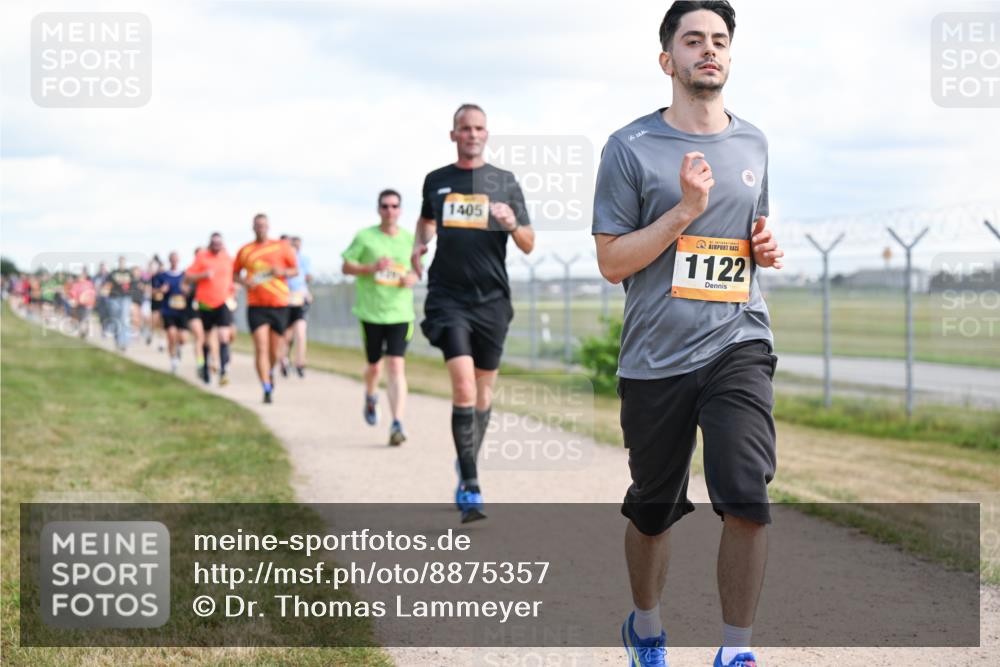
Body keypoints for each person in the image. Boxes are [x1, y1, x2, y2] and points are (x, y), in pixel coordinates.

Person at [592, 4, 785, 666]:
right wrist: (684, 211)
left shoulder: (754, 143)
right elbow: (612, 260)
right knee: (653, 510)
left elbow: (748, 234)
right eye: (694, 39)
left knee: (748, 494)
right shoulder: (630, 147)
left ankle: (736, 652)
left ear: (730, 56)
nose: (709, 50)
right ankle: (645, 623)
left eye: (720, 41)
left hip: (739, 341)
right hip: (656, 359)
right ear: (666, 58)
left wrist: (762, 244)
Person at [411, 104, 535, 522]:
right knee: (464, 388)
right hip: (448, 298)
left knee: (484, 393)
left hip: (492, 301)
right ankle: (471, 484)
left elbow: (529, 243)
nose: (472, 134)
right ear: (454, 135)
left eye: (479, 128)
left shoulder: (504, 182)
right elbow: (425, 221)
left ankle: (467, 462)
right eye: (464, 128)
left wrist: (511, 222)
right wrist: (418, 246)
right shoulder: (437, 180)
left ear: (487, 134)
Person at [343, 189, 419, 446]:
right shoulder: (365, 237)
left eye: (394, 206)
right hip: (371, 312)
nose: (390, 211)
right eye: (385, 206)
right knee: (375, 366)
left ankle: (397, 422)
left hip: (400, 312)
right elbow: (346, 266)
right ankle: (370, 394)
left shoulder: (410, 239)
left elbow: (418, 269)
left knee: (396, 365)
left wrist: (413, 277)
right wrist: (370, 268)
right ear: (378, 209)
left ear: (400, 210)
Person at [233, 213, 298, 403]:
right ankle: (266, 386)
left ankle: (270, 371)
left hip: (279, 304)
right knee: (260, 347)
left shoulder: (281, 247)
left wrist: (282, 272)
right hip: (256, 305)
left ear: (268, 227)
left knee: (274, 351)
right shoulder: (245, 250)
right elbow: (235, 273)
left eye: (263, 225)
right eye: (257, 225)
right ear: (253, 227)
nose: (261, 228)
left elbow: (295, 270)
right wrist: (244, 281)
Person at [185, 233, 235, 385]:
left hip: (223, 302)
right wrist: (203, 275)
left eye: (219, 243)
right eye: (214, 243)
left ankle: (223, 369)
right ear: (210, 244)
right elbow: (188, 276)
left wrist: (234, 289)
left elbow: (235, 276)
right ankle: (205, 367)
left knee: (224, 336)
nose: (217, 246)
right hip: (204, 304)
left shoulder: (228, 259)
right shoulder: (202, 257)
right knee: (205, 339)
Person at [281, 235, 312, 378]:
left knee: (301, 333)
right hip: (285, 299)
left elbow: (306, 278)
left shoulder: (304, 260)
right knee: (287, 336)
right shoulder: (281, 259)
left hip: (299, 299)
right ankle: (284, 360)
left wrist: (307, 292)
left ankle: (300, 363)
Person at [157, 251, 190, 373]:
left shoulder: (185, 275)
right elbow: (154, 291)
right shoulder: (163, 276)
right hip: (168, 310)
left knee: (183, 338)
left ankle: (179, 348)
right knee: (171, 335)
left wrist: (187, 291)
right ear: (169, 260)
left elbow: (191, 290)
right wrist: (161, 290)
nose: (174, 261)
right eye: (172, 259)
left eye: (176, 259)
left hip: (182, 311)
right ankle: (173, 359)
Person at [106, 257, 134, 351]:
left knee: (124, 319)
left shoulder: (129, 273)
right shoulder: (113, 273)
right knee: (116, 320)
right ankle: (118, 341)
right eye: (120, 261)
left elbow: (133, 285)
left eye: (123, 262)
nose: (121, 263)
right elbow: (107, 284)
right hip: (114, 298)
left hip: (125, 298)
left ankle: (124, 342)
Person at [68, 271, 96, 338]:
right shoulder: (76, 285)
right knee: (80, 319)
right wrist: (74, 300)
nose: (80, 278)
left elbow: (92, 292)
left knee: (86, 317)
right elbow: (72, 293)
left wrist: (91, 299)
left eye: (81, 276)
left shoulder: (89, 283)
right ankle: (82, 331)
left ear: (84, 277)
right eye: (79, 276)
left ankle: (86, 331)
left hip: (88, 304)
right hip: (79, 304)